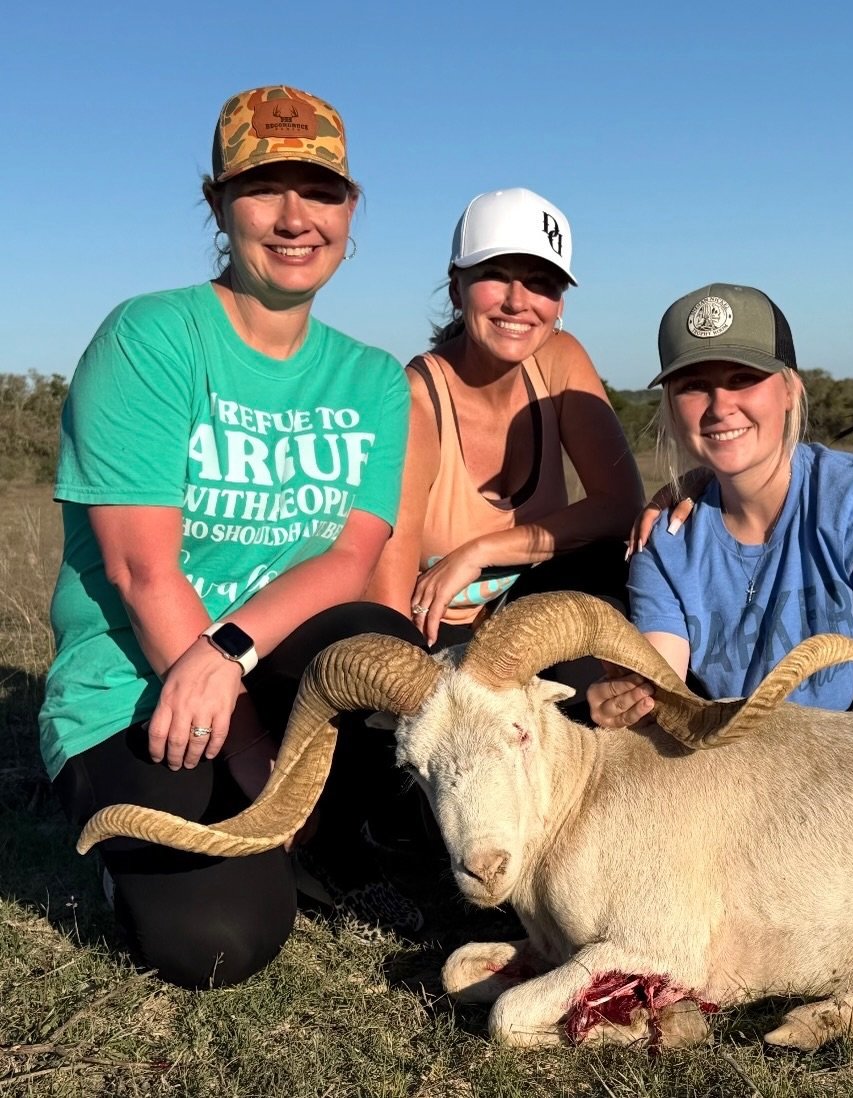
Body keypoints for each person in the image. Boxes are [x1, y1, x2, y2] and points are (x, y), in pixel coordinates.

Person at [39, 85, 423, 989]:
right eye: (263, 188)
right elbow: (141, 572)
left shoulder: (371, 379)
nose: (295, 218)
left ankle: (337, 827)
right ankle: (128, 839)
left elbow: (349, 559)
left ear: (350, 207)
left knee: (383, 643)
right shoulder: (151, 337)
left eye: (318, 191)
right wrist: (254, 756)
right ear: (218, 202)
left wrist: (231, 650)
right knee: (215, 942)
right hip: (138, 683)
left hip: (251, 660)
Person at [588, 283, 853, 728]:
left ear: (790, 390)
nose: (720, 407)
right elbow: (664, 696)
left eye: (743, 379)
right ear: (671, 408)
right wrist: (629, 706)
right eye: (693, 386)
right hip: (732, 769)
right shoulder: (664, 542)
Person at [366, 187, 644, 673]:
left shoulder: (560, 358)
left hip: (535, 615)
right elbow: (387, 602)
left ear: (559, 304)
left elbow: (621, 509)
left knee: (625, 568)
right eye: (494, 275)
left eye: (541, 283)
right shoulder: (416, 402)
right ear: (457, 289)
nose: (518, 302)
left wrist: (481, 551)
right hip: (440, 637)